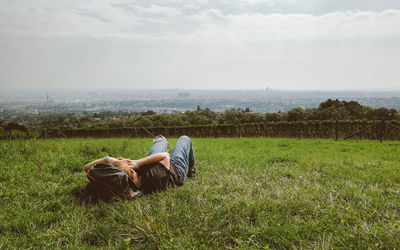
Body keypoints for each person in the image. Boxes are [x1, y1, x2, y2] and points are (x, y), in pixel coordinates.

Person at [83, 135, 196, 196]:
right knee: (184, 139)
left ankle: (160, 140)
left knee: (160, 139)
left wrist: (107, 160)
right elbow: (165, 156)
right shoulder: (152, 176)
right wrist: (137, 162)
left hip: (156, 165)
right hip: (174, 169)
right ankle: (191, 170)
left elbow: (86, 168)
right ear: (132, 171)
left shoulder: (125, 182)